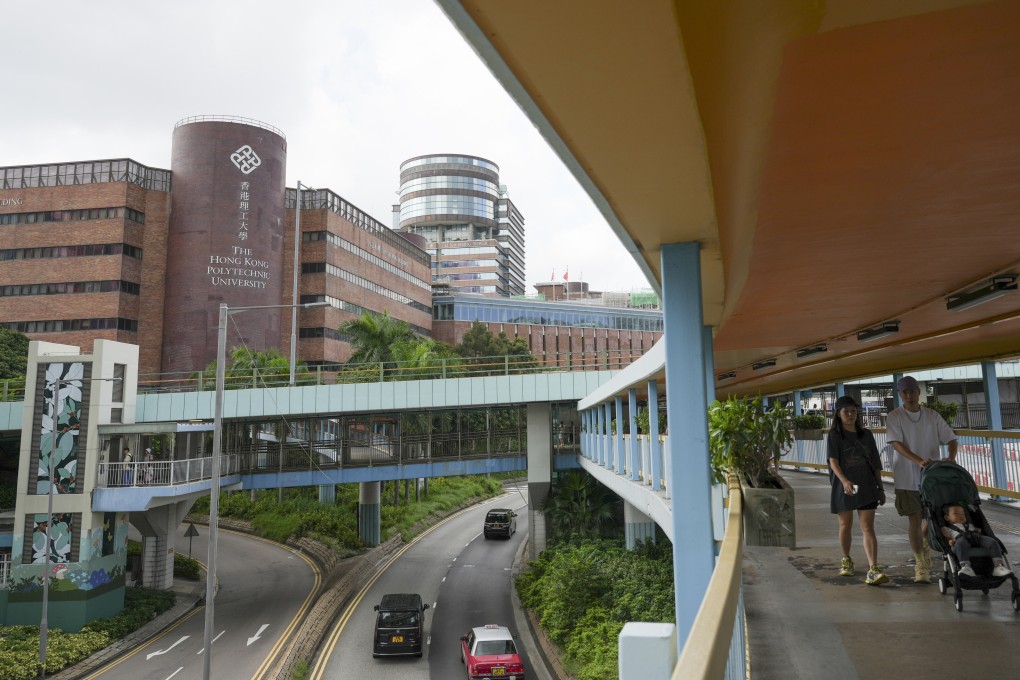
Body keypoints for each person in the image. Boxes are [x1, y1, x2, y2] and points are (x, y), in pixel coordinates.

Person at [886, 375, 958, 583]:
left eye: (912, 391)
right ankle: (920, 563)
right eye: (905, 392)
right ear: (900, 395)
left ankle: (924, 542)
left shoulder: (931, 415)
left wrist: (951, 457)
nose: (909, 395)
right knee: (914, 518)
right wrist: (918, 460)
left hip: (932, 476)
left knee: (933, 516)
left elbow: (951, 438)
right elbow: (896, 443)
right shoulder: (894, 416)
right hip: (906, 476)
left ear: (918, 392)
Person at [828, 395, 889, 585]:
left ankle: (873, 568)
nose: (850, 414)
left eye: (853, 411)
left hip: (866, 485)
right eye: (846, 411)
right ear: (838, 414)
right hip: (846, 486)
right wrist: (845, 481)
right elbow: (833, 462)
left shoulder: (866, 435)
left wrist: (880, 488)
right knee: (845, 525)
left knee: (867, 527)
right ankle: (846, 560)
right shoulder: (835, 435)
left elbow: (876, 463)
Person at [941, 503, 1012, 578]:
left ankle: (998, 566)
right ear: (947, 518)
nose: (961, 515)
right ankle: (965, 566)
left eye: (963, 514)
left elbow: (978, 530)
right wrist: (950, 541)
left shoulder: (970, 524)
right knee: (960, 543)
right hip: (960, 540)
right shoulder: (946, 528)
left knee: (992, 542)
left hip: (977, 537)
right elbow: (947, 539)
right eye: (956, 513)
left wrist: (978, 530)